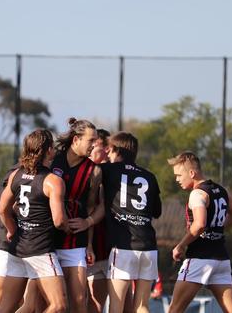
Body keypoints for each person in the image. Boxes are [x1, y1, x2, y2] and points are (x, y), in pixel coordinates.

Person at [0, 129, 70, 313]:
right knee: (58, 305)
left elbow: (2, 210)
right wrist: (71, 227)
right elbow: (59, 221)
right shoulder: (53, 180)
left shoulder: (16, 175)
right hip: (41, 250)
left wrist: (13, 230)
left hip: (18, 248)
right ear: (49, 151)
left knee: (6, 307)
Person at [167, 151, 232, 313]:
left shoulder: (197, 193)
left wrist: (180, 246)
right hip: (221, 259)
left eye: (179, 175)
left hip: (199, 258)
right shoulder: (222, 190)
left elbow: (199, 224)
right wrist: (216, 229)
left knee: (175, 310)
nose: (177, 179)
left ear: (192, 173)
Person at [101, 132, 161, 313]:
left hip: (123, 246)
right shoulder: (150, 176)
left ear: (115, 150)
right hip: (148, 247)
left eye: (109, 151)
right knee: (142, 306)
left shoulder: (108, 170)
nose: (108, 155)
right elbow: (157, 212)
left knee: (116, 306)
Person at [52, 118, 102, 313]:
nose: (95, 145)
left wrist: (88, 234)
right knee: (46, 302)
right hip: (48, 240)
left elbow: (93, 207)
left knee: (81, 299)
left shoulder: (94, 170)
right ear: (76, 140)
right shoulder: (52, 159)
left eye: (97, 140)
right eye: (91, 140)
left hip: (75, 241)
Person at [0, 166, 26, 313]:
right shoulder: (17, 173)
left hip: (23, 248)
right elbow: (5, 209)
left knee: (20, 301)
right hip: (3, 246)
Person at [87, 128, 111, 313]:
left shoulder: (113, 175)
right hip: (82, 249)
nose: (107, 151)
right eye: (104, 146)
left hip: (108, 251)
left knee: (96, 305)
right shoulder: (84, 172)